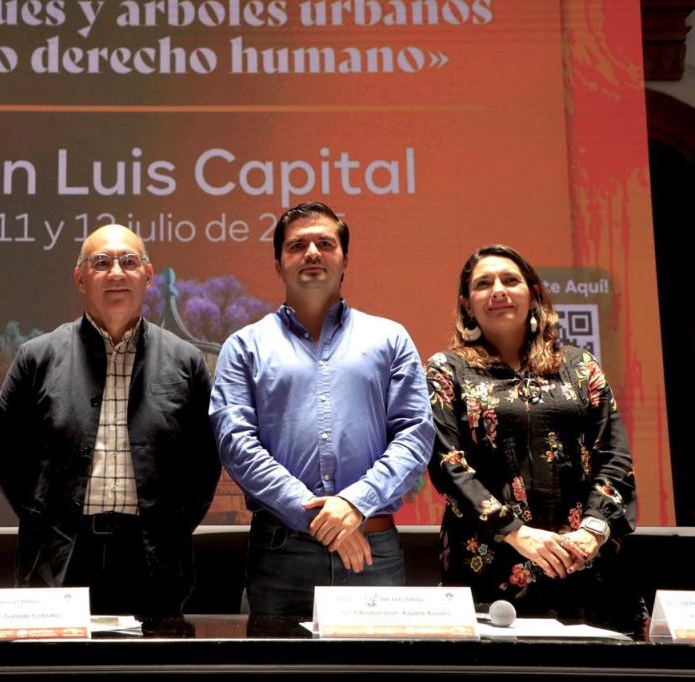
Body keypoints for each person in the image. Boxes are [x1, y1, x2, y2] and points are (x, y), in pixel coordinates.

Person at [209, 201, 435, 617]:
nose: (312, 253)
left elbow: (415, 435)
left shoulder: (391, 338)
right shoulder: (243, 346)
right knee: (279, 677)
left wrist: (354, 505)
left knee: (375, 679)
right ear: (278, 264)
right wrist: (317, 517)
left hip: (373, 548)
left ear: (345, 259)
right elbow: (236, 444)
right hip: (281, 555)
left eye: (325, 243)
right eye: (297, 245)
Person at [0, 224, 221, 621]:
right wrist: (45, 521)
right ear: (81, 278)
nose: (116, 273)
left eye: (129, 262)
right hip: (59, 558)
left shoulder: (186, 361)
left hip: (153, 560)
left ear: (148, 276)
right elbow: (7, 459)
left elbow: (205, 463)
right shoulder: (36, 358)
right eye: (101, 263)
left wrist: (171, 528)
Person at [426, 244, 644, 634]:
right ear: (467, 304)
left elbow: (614, 455)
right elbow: (447, 463)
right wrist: (518, 533)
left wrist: (592, 531)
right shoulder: (447, 370)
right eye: (483, 284)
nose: (498, 290)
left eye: (510, 280)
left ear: (534, 295)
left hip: (585, 561)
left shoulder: (581, 366)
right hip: (490, 565)